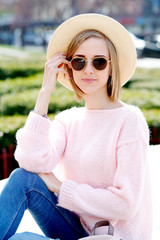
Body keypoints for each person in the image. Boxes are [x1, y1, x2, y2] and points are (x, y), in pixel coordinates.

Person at [0, 13, 152, 240]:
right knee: (22, 178)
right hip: (77, 230)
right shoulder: (68, 119)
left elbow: (125, 204)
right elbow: (31, 163)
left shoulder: (129, 120)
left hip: (113, 236)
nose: (88, 70)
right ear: (69, 67)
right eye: (79, 62)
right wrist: (44, 94)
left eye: (99, 62)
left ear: (111, 68)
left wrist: (61, 187)